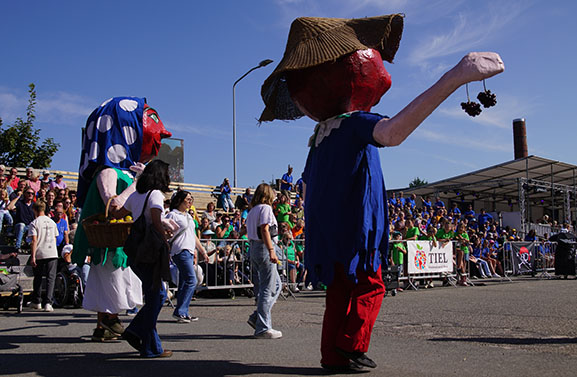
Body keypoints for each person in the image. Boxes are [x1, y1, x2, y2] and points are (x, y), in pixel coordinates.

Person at [258, 13, 503, 372]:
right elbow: (392, 133)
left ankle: (332, 355)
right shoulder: (354, 124)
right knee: (370, 284)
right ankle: (350, 345)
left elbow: (307, 190)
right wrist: (456, 76)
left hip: (330, 230)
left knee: (339, 289)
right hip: (358, 226)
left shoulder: (319, 139)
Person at [72, 96, 172, 343]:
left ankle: (107, 324)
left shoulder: (127, 170)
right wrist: (137, 185)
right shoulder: (107, 171)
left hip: (123, 244)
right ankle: (109, 321)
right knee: (111, 283)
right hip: (110, 244)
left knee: (116, 283)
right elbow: (113, 204)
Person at [110, 159, 172, 358]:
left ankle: (151, 346)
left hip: (136, 249)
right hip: (150, 249)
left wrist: (111, 207)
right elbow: (155, 221)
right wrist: (166, 240)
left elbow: (120, 212)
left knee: (154, 295)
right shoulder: (155, 195)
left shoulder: (137, 195)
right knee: (158, 295)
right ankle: (138, 334)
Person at [165, 190, 209, 323]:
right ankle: (180, 311)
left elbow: (194, 236)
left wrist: (203, 251)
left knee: (185, 281)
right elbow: (165, 231)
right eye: (188, 199)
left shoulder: (189, 217)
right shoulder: (172, 215)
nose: (190, 202)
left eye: (191, 199)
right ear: (180, 200)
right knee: (191, 280)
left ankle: (182, 311)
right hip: (180, 250)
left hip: (189, 250)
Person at [246, 183, 282, 339]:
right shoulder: (265, 208)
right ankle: (263, 327)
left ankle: (258, 316)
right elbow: (265, 229)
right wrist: (271, 250)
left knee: (276, 285)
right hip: (264, 247)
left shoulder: (252, 210)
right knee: (268, 288)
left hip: (254, 247)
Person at [27, 201, 59, 312]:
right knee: (51, 278)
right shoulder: (52, 222)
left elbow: (34, 240)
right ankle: (48, 303)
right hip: (52, 252)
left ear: (34, 210)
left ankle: (37, 301)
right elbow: (55, 238)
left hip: (40, 252)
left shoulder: (34, 223)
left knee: (38, 278)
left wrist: (33, 256)